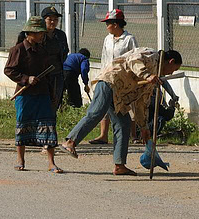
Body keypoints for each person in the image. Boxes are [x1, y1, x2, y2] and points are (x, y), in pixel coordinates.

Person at [61, 48, 182, 176]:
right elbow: (133, 60)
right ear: (170, 61)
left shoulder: (154, 77)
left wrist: (144, 127)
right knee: (96, 113)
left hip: (119, 96)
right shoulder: (151, 55)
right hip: (110, 82)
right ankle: (70, 142)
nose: (170, 73)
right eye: (173, 70)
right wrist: (147, 75)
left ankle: (119, 165)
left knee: (124, 124)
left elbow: (142, 103)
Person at [4, 17, 62, 173]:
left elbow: (48, 75)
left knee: (49, 126)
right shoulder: (17, 50)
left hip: (43, 94)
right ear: (29, 33)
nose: (42, 36)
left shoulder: (43, 50)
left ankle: (51, 163)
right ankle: (20, 160)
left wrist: (52, 94)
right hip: (25, 95)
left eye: (42, 33)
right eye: (39, 33)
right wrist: (26, 79)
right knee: (22, 125)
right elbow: (9, 70)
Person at [89, 9, 138, 144]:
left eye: (108, 24)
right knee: (105, 104)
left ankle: (133, 136)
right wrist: (101, 75)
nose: (107, 27)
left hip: (123, 79)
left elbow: (135, 59)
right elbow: (104, 57)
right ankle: (103, 135)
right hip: (107, 77)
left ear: (116, 24)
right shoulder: (107, 39)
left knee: (126, 105)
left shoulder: (129, 39)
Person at [41, 6, 69, 110]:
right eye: (50, 19)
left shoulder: (61, 35)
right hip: (42, 75)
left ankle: (52, 123)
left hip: (57, 74)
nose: (53, 22)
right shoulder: (39, 34)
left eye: (56, 19)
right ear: (43, 20)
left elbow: (65, 51)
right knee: (43, 102)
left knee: (55, 102)